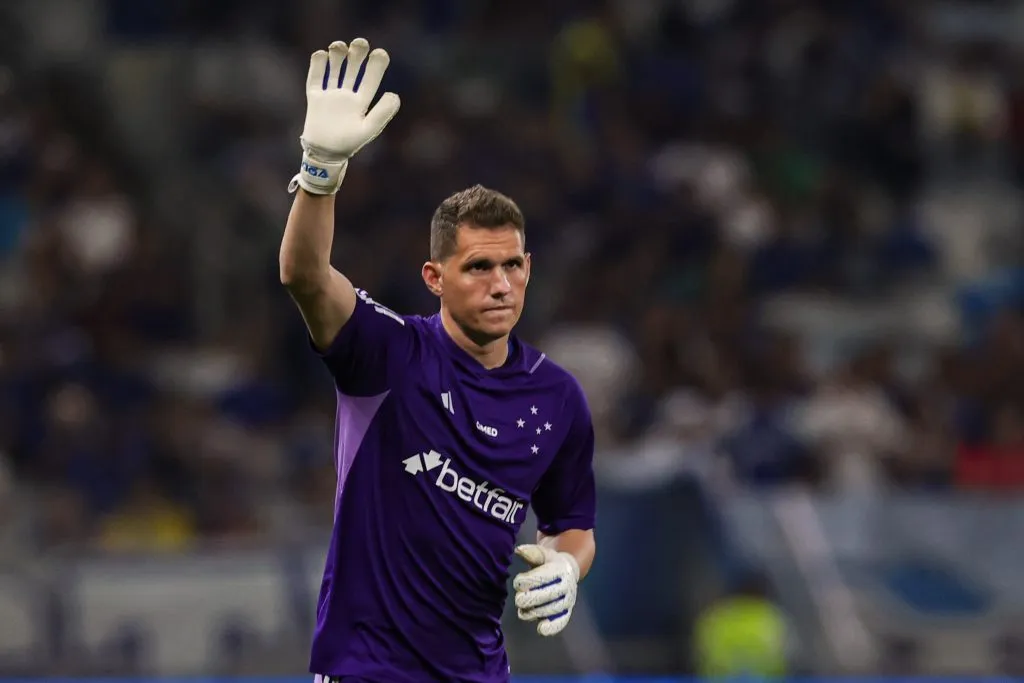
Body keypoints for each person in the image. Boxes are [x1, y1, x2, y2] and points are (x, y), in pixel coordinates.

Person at [279, 38, 598, 683]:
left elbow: (572, 525)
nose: (501, 285)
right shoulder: (389, 354)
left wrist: (567, 564)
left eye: (512, 266)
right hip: (365, 671)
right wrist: (320, 173)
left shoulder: (557, 398)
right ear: (435, 277)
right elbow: (304, 276)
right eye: (478, 267)